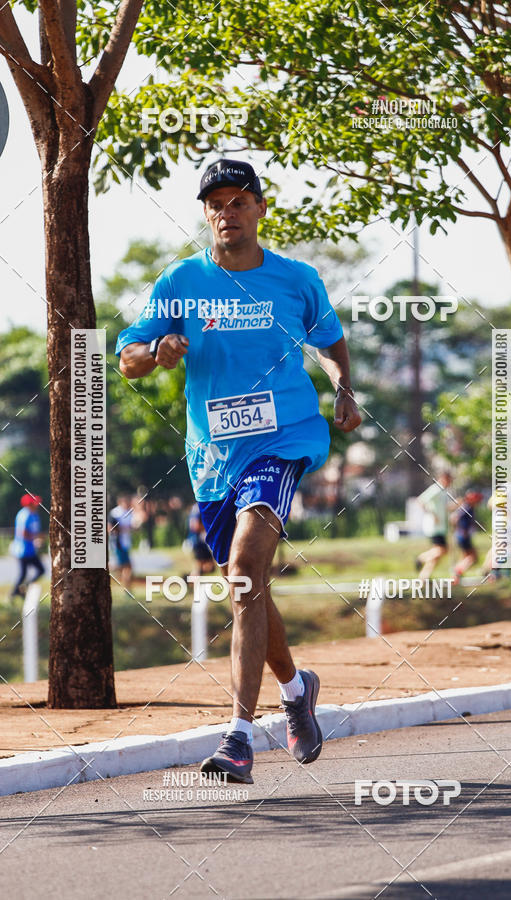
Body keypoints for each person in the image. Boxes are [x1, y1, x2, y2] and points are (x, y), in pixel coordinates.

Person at [116, 158, 361, 784]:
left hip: (284, 439)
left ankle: (238, 737)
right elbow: (129, 358)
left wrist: (343, 387)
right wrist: (157, 352)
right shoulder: (180, 281)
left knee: (248, 567)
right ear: (206, 214)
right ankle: (296, 686)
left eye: (239, 200)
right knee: (246, 585)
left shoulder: (296, 279)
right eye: (216, 203)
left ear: (259, 207)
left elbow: (329, 339)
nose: (228, 211)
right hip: (213, 458)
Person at [415, 472, 453, 578]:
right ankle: (421, 558)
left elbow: (445, 508)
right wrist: (432, 515)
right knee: (442, 550)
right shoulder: (436, 489)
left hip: (441, 527)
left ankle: (424, 577)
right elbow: (420, 501)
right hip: (434, 527)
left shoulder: (443, 492)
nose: (450, 483)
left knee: (437, 556)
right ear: (444, 478)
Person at [10, 494, 45, 599]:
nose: (37, 505)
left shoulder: (35, 515)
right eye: (34, 503)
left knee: (40, 570)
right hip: (22, 550)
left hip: (31, 550)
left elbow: (35, 531)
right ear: (28, 504)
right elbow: (23, 533)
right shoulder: (24, 515)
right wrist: (35, 539)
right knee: (23, 574)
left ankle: (21, 589)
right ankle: (14, 593)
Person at [452, 490, 483, 583]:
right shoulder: (467, 508)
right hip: (463, 535)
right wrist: (461, 530)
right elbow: (454, 518)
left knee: (465, 556)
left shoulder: (469, 507)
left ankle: (456, 577)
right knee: (473, 557)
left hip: (463, 535)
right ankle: (457, 571)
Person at [108, 494, 135, 589]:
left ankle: (127, 588)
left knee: (125, 567)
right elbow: (110, 528)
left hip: (126, 543)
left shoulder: (129, 512)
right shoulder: (115, 513)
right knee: (127, 567)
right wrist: (124, 529)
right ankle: (127, 589)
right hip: (118, 543)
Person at [188, 502, 215, 575]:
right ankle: (189, 579)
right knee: (199, 568)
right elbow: (195, 526)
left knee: (210, 567)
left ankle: (189, 578)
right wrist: (209, 527)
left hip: (199, 542)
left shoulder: (196, 507)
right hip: (197, 542)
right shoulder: (199, 507)